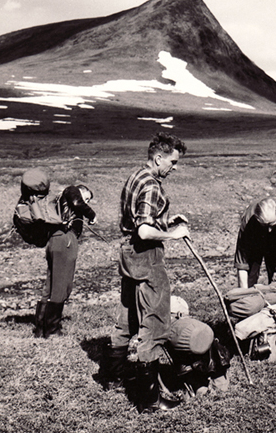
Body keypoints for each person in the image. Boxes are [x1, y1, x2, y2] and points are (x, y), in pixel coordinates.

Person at [104, 132, 190, 413]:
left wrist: (167, 221)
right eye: (173, 162)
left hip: (128, 254)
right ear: (158, 158)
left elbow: (140, 218)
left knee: (128, 313)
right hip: (146, 256)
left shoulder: (136, 176)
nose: (174, 168)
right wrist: (174, 234)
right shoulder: (153, 185)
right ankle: (150, 399)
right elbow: (143, 229)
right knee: (154, 319)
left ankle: (113, 376)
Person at [34, 184, 97, 338]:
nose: (86, 203)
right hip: (66, 240)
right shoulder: (72, 190)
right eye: (86, 198)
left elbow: (75, 203)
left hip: (55, 240)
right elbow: (76, 202)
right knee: (62, 287)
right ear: (80, 192)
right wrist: (92, 215)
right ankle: (53, 330)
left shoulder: (60, 200)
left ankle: (41, 328)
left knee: (50, 285)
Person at [234, 197, 276, 289]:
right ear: (257, 218)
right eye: (265, 225)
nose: (269, 230)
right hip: (255, 240)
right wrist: (244, 292)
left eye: (271, 225)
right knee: (249, 281)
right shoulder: (248, 221)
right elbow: (242, 261)